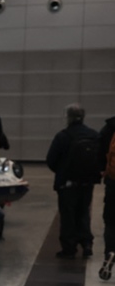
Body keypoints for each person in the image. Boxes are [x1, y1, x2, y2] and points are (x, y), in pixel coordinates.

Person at [46, 103, 102, 258]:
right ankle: (87, 243)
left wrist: (62, 171)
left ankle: (69, 248)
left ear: (68, 117)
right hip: (87, 182)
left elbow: (51, 160)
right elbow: (100, 158)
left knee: (68, 215)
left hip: (67, 184)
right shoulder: (94, 135)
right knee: (84, 212)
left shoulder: (62, 136)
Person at [98, 114, 115, 277]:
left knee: (110, 221)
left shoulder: (110, 128)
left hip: (113, 182)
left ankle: (109, 252)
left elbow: (100, 149)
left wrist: (102, 169)